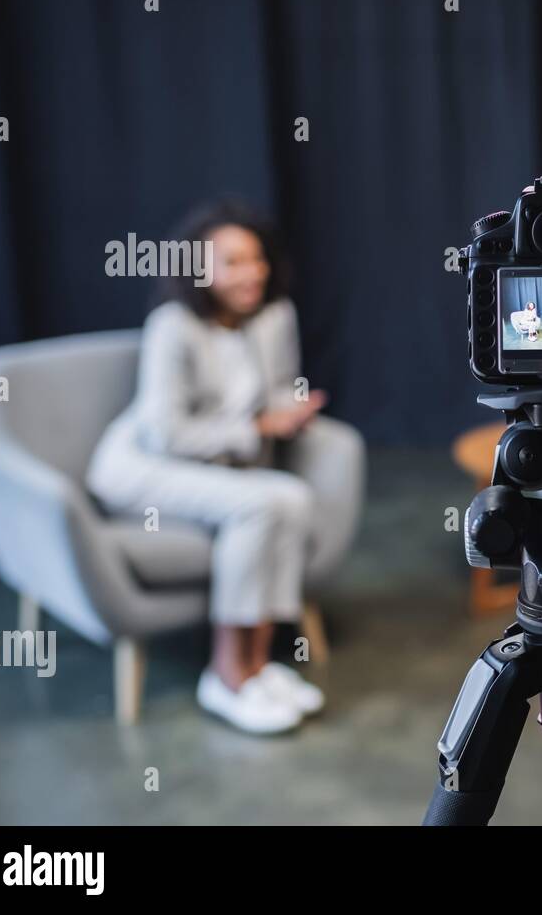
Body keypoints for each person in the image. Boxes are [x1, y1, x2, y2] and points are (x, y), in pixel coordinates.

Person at [87, 200, 328, 735]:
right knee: (263, 502)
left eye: (257, 259)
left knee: (293, 497)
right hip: (140, 466)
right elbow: (164, 432)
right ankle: (224, 675)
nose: (253, 273)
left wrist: (289, 411)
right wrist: (258, 429)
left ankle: (258, 664)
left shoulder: (274, 317)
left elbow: (270, 393)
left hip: (213, 467)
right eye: (234, 262)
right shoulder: (172, 325)